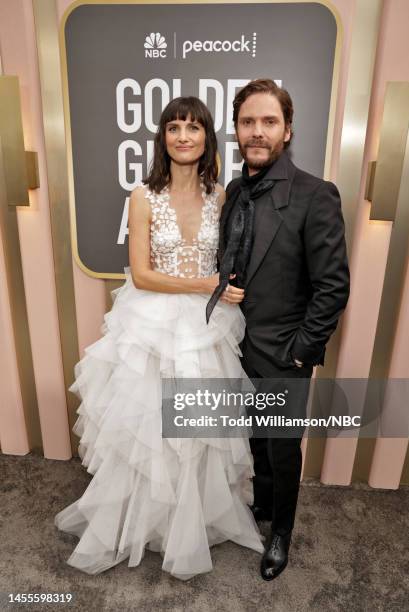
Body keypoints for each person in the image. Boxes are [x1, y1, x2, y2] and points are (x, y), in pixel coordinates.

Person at [54, 96, 264, 580]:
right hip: (152, 322)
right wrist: (205, 286)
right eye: (174, 127)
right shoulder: (143, 195)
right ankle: (144, 518)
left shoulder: (223, 196)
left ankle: (190, 520)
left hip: (208, 326)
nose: (184, 136)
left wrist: (220, 287)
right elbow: (143, 274)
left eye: (193, 128)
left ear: (208, 138)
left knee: (198, 430)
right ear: (163, 138)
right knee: (149, 428)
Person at [207, 79, 350, 581]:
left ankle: (281, 532)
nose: (258, 131)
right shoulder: (234, 190)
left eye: (269, 122)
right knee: (250, 439)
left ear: (287, 130)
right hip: (233, 345)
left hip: (284, 351)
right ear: (237, 130)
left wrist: (301, 351)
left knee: (283, 447)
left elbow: (333, 286)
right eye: (248, 122)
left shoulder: (315, 194)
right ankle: (260, 507)